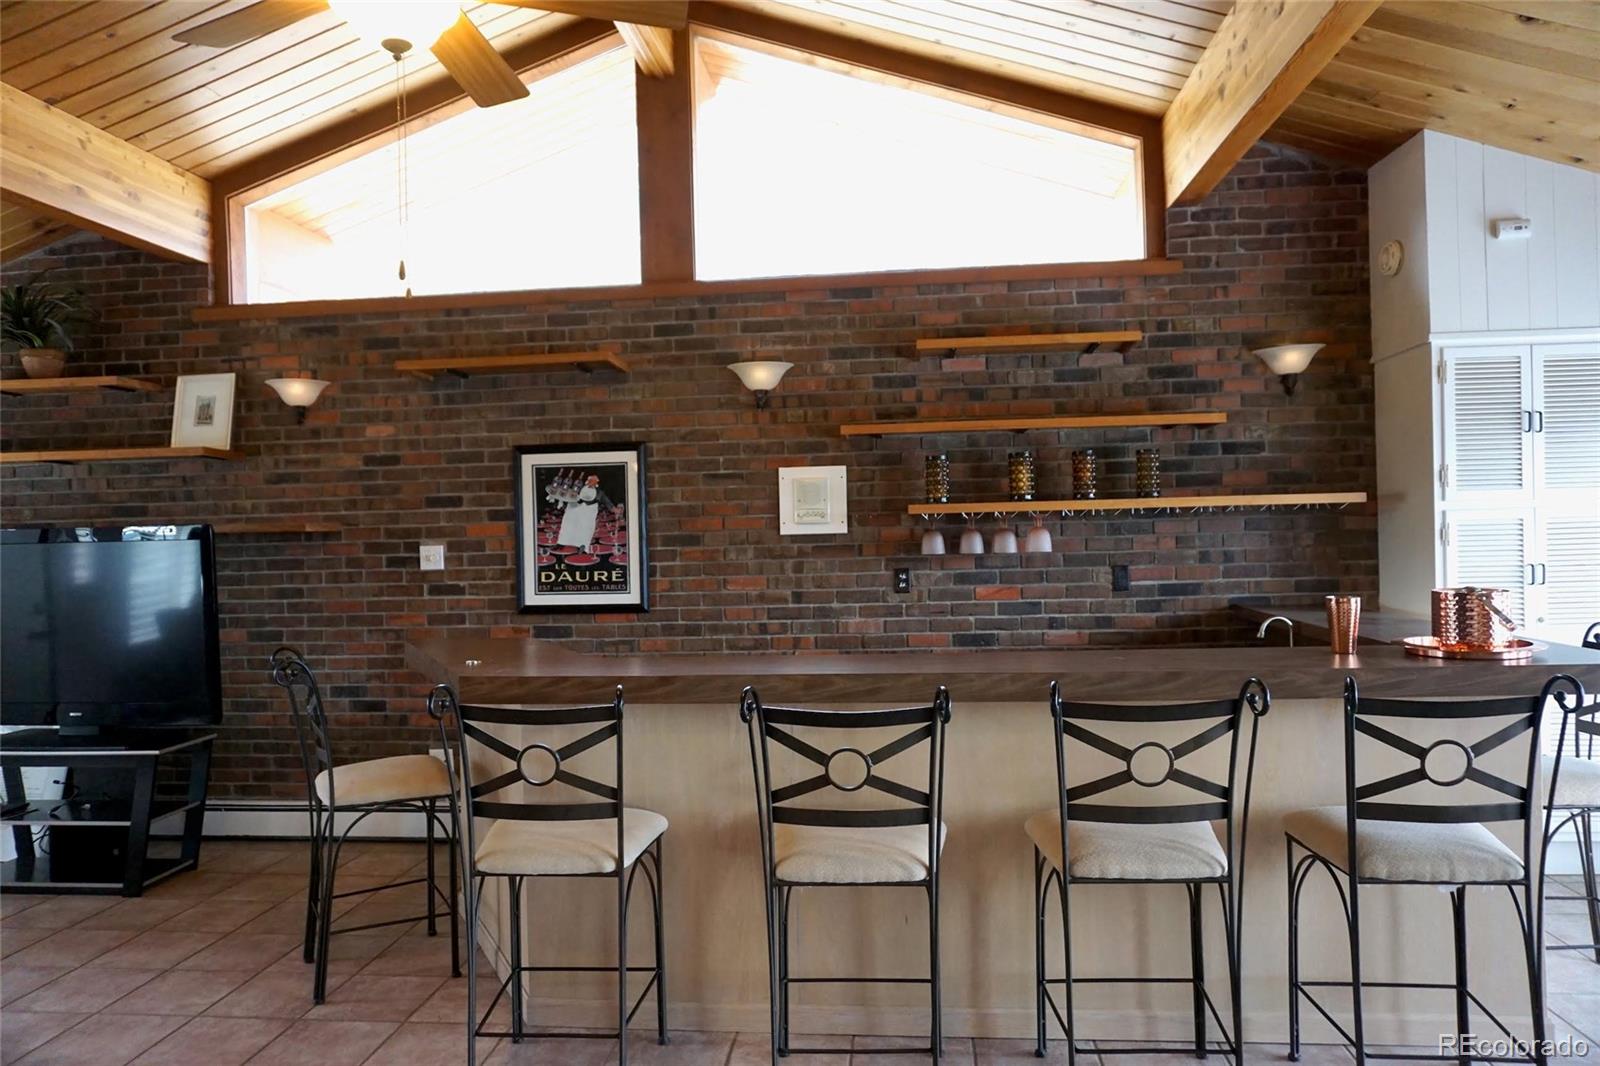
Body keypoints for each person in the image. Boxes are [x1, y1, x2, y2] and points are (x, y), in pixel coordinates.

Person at [556, 474, 616, 554]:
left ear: (596, 483)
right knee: (567, 526)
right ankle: (561, 543)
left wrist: (614, 509)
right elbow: (568, 493)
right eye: (590, 480)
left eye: (593, 481)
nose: (591, 483)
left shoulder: (599, 493)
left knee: (585, 529)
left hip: (588, 512)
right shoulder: (579, 487)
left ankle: (582, 546)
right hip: (574, 510)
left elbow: (607, 502)